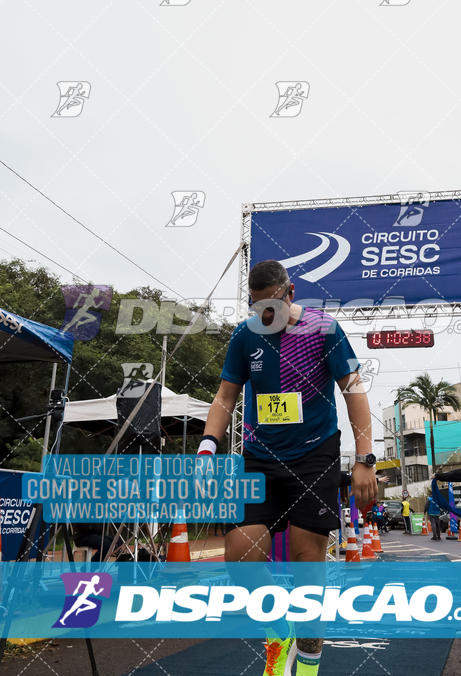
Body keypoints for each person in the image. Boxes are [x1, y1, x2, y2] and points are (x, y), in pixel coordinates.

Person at [198, 260, 378, 676]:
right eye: (256, 307)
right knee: (239, 556)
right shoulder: (245, 335)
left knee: (306, 563)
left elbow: (352, 390)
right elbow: (226, 396)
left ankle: (309, 667)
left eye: (272, 307)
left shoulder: (323, 329)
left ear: (290, 293)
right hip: (260, 456)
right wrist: (208, 446)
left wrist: (365, 459)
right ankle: (279, 628)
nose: (265, 316)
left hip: (314, 455)